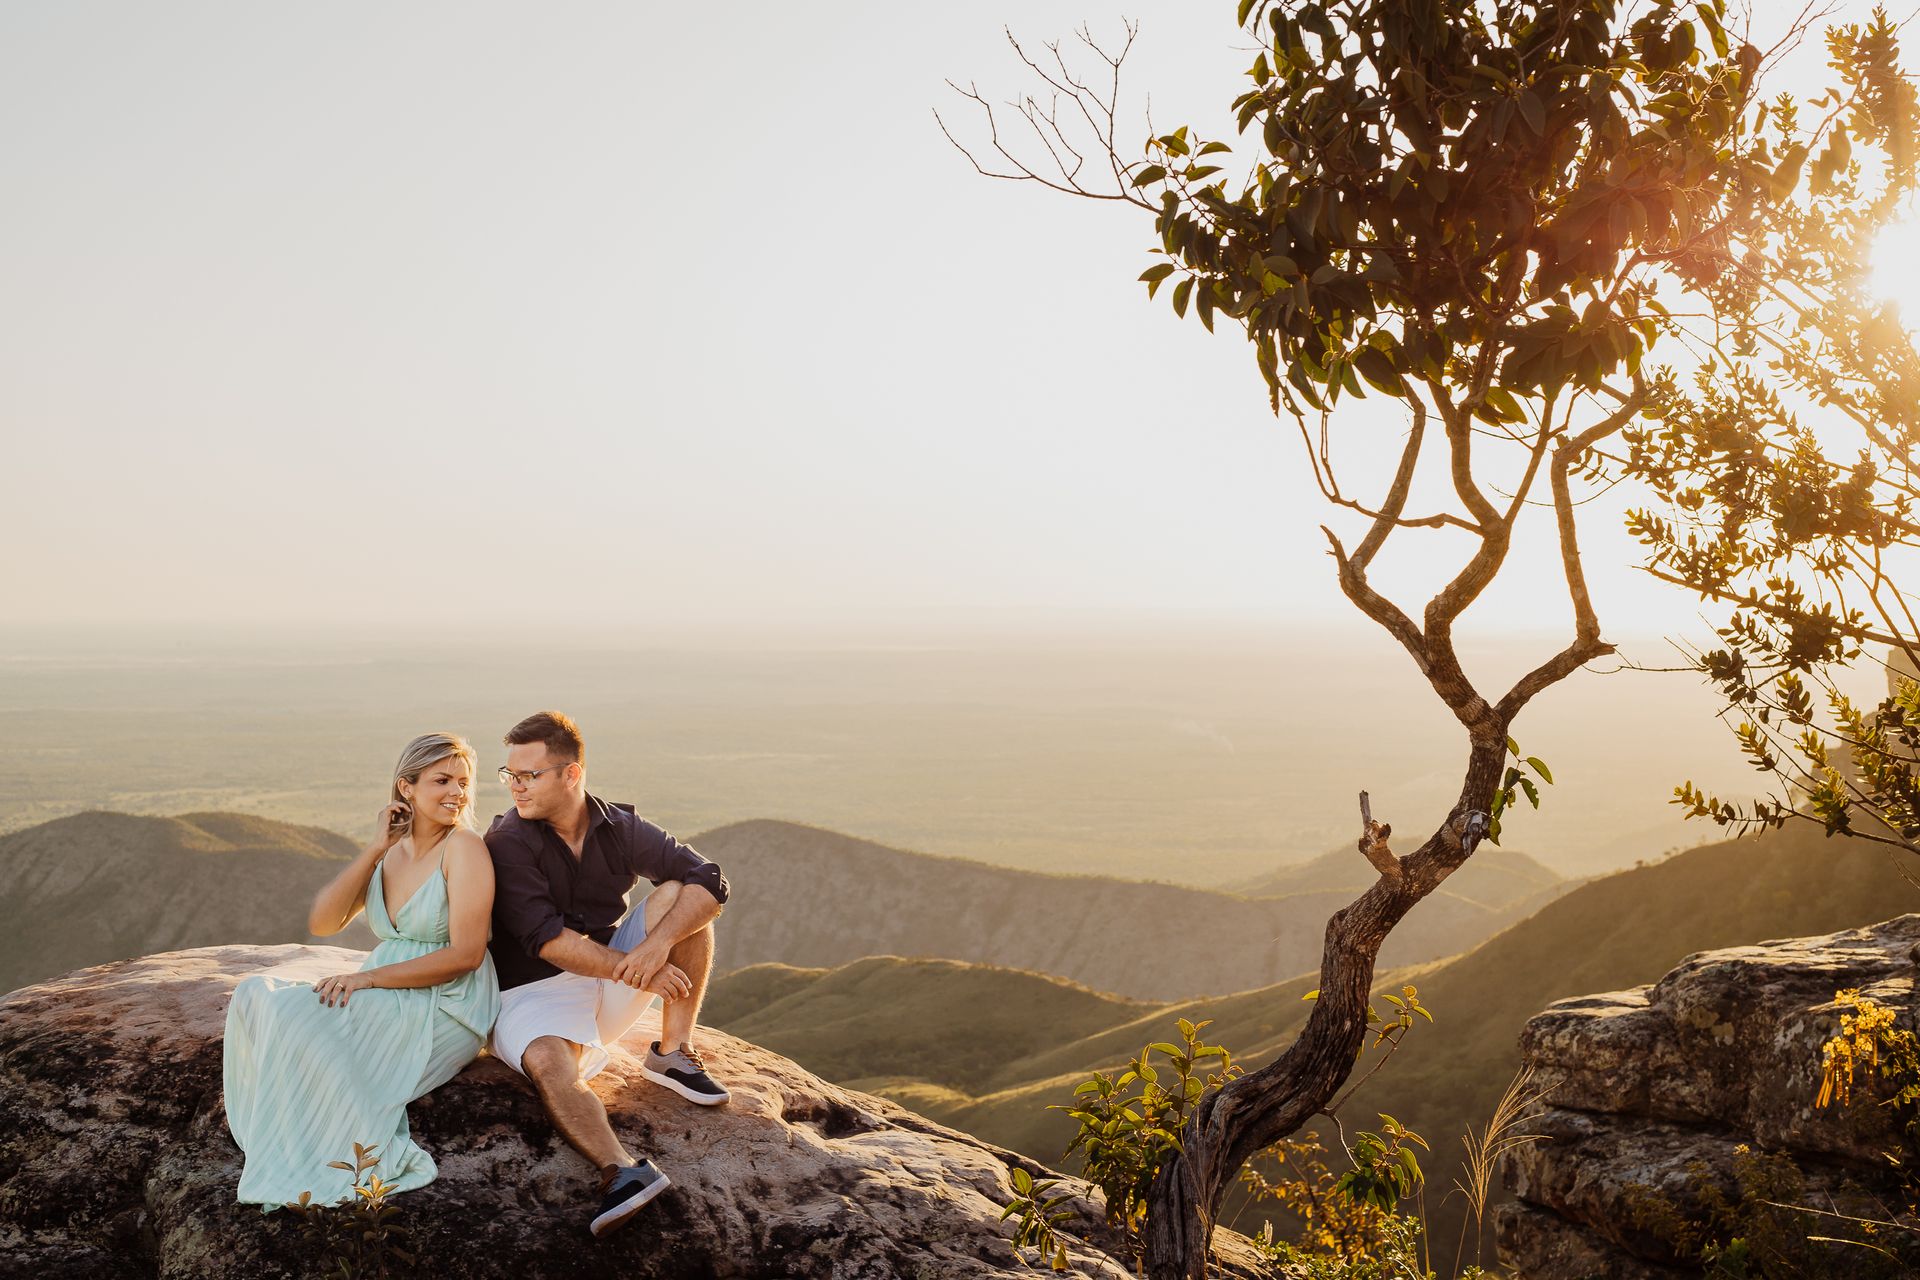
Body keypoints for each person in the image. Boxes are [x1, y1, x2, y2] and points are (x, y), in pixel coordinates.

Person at [223, 732, 501, 1207]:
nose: (457, 792)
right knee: (254, 995)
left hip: (445, 1001)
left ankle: (314, 1152)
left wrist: (367, 977)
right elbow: (324, 921)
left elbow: (466, 955)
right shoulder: (391, 851)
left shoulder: (465, 848)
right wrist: (375, 848)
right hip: (386, 988)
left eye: (463, 781)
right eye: (442, 780)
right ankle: (282, 1136)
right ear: (406, 788)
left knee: (296, 1017)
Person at [485, 710, 730, 1238]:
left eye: (530, 775)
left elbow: (710, 879)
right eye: (510, 775)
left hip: (608, 979)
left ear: (571, 775)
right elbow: (546, 940)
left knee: (679, 897)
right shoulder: (508, 840)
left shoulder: (618, 826)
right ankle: (621, 1172)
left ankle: (672, 1053)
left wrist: (656, 948)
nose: (516, 787)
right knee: (550, 1061)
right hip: (530, 993)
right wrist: (633, 966)